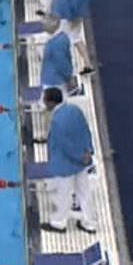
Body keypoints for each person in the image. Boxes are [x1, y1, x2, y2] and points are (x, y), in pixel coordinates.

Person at [40, 88, 96, 234]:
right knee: (84, 193)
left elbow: (65, 146)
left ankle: (59, 223)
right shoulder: (75, 110)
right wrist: (88, 151)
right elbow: (86, 130)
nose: (43, 102)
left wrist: (79, 156)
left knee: (63, 195)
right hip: (82, 162)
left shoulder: (57, 120)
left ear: (51, 103)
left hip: (66, 165)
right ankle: (89, 223)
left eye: (45, 100)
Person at [50, 0, 94, 74]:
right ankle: (88, 65)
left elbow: (63, 2)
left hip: (68, 17)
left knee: (61, 41)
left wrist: (59, 17)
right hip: (80, 14)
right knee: (76, 38)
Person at [40, 16, 75, 95]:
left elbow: (63, 64)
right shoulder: (59, 38)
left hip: (54, 82)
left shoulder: (58, 42)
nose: (43, 26)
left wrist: (68, 79)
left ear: (54, 23)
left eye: (45, 23)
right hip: (52, 80)